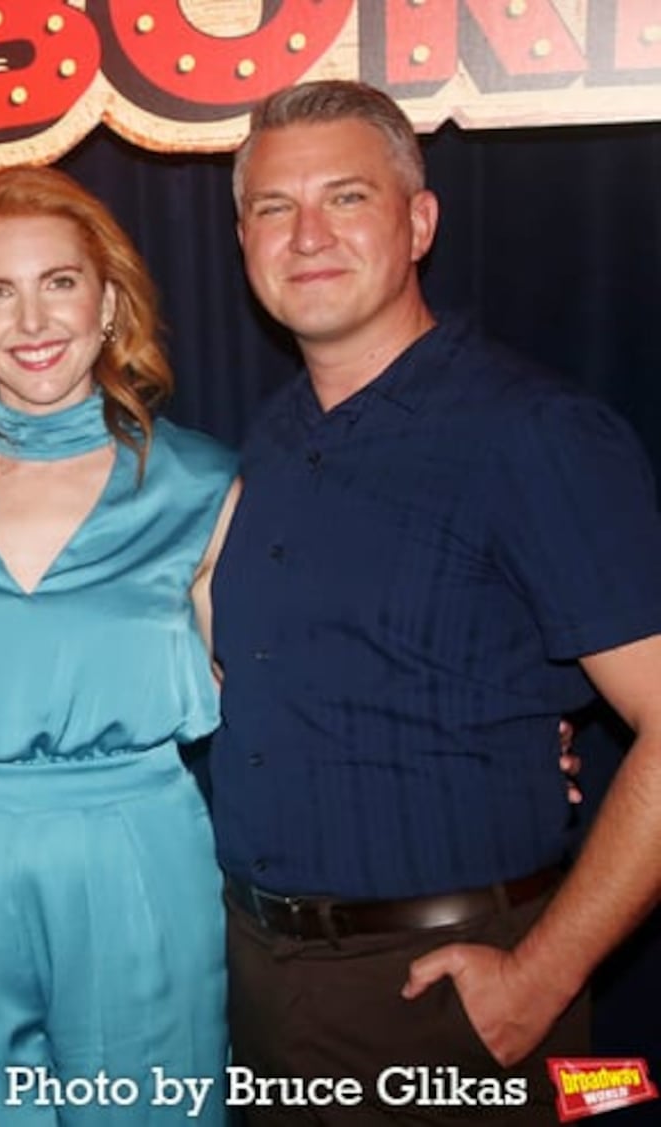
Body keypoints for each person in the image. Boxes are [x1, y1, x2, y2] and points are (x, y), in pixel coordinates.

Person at [212, 79, 661, 1122]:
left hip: (452, 994)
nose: (307, 234)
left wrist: (541, 975)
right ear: (243, 241)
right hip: (267, 986)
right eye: (275, 208)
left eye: (346, 199)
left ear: (418, 222)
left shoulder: (533, 433)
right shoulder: (272, 438)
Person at [0, 167, 237, 1125]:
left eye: (60, 282)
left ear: (109, 301)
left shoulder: (206, 484)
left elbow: (307, 676)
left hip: (138, 852)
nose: (32, 318)